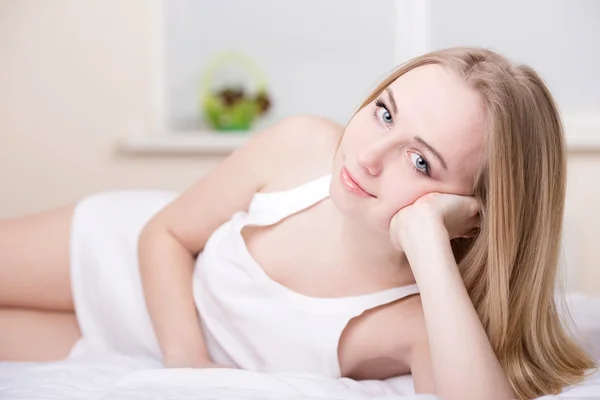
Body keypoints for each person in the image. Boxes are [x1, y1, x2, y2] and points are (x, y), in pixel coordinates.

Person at [0, 47, 595, 400]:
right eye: (384, 112)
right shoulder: (303, 145)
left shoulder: (410, 321)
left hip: (130, 341)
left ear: (473, 215)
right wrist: (188, 368)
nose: (367, 155)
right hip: (121, 259)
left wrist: (427, 242)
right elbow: (167, 235)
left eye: (420, 161)